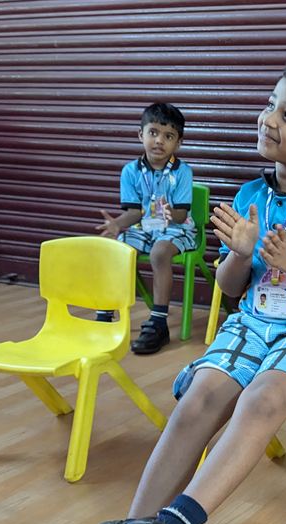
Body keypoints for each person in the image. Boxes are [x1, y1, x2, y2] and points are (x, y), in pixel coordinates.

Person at [74, 63, 286, 524]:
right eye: (270, 105)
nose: (267, 119)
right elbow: (231, 288)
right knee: (200, 397)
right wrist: (239, 254)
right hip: (253, 322)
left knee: (261, 399)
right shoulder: (250, 195)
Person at [95, 102, 194, 354]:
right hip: (144, 227)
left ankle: (159, 322)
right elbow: (133, 213)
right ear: (141, 135)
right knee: (116, 249)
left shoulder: (183, 172)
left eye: (168, 136)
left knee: (159, 253)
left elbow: (182, 214)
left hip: (177, 228)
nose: (159, 140)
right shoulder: (130, 171)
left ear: (178, 143)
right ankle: (105, 316)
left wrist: (171, 213)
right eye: (153, 133)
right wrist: (117, 224)